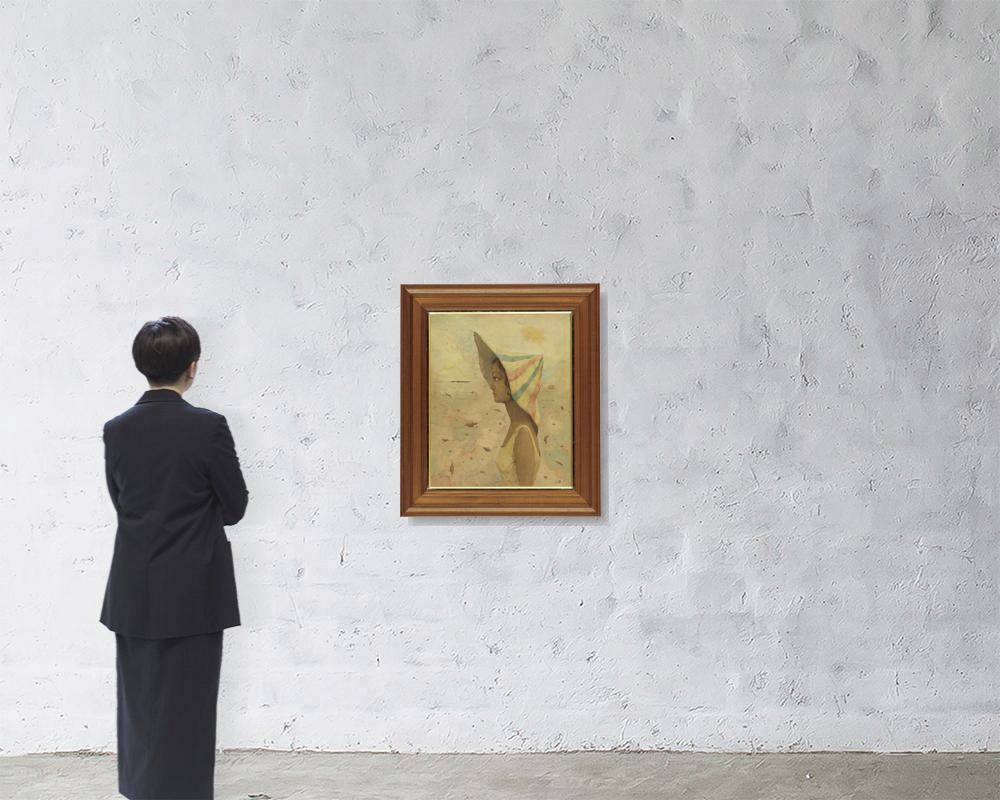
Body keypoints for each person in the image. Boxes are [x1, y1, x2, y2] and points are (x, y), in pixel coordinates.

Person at [99, 316, 249, 800]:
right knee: (190, 704)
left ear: (141, 365)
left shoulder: (117, 429)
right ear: (192, 367)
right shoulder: (208, 427)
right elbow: (235, 506)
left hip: (135, 587)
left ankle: (141, 791)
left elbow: (122, 501)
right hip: (194, 586)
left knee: (139, 704)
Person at [472, 331, 544, 485]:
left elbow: (525, 495)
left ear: (513, 385)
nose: (492, 386)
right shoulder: (516, 424)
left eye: (497, 378)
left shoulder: (523, 433)